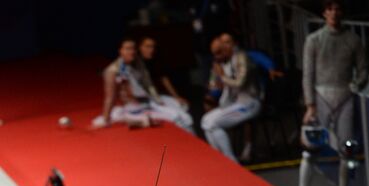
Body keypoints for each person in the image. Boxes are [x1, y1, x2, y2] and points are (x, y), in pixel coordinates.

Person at [298, 0, 368, 186]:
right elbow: (308, 73)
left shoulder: (352, 40)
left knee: (346, 149)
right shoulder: (314, 40)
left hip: (345, 97)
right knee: (310, 148)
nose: (334, 13)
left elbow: (363, 69)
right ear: (324, 13)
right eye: (330, 9)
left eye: (337, 9)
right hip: (320, 98)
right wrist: (310, 104)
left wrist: (355, 85)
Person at [93, 39, 194, 133]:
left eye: (133, 48)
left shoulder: (137, 62)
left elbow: (148, 84)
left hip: (150, 101)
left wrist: (158, 100)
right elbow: (110, 98)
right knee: (181, 118)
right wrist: (106, 119)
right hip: (135, 108)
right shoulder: (112, 71)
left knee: (183, 106)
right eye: (127, 49)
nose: (132, 51)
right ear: (120, 50)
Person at [200, 33, 262, 162]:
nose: (224, 47)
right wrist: (215, 83)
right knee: (205, 121)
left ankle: (230, 161)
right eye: (221, 44)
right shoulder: (220, 62)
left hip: (249, 102)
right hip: (233, 103)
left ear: (233, 45)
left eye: (227, 43)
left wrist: (222, 77)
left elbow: (240, 83)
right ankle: (219, 159)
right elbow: (214, 86)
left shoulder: (240, 57)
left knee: (213, 124)